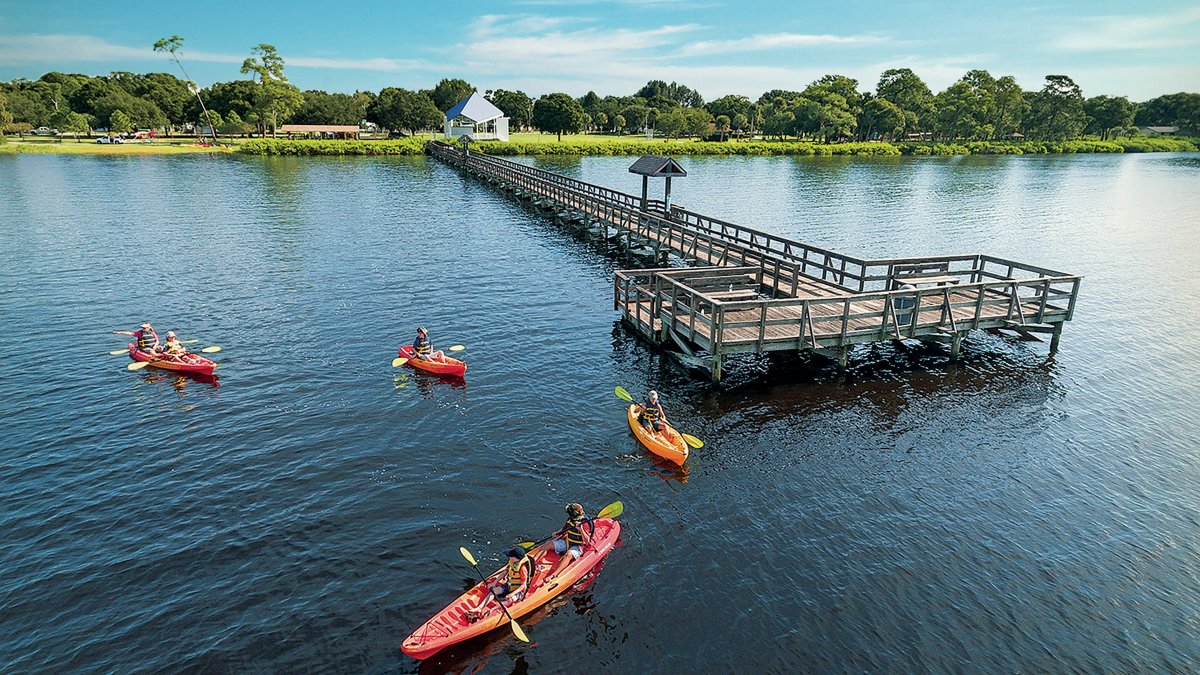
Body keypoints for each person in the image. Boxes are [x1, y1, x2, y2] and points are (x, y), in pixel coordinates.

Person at [465, 547, 533, 621]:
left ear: (517, 558)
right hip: (509, 585)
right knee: (493, 591)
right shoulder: (512, 562)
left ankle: (493, 609)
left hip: (518, 591)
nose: (509, 557)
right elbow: (504, 572)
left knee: (511, 599)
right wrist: (494, 583)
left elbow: (523, 585)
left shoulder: (522, 569)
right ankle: (479, 608)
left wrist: (512, 594)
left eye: (511, 556)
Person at [548, 503, 592, 580]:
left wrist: (580, 529)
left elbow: (587, 541)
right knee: (548, 544)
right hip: (568, 542)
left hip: (579, 547)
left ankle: (554, 575)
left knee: (568, 554)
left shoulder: (585, 523)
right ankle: (533, 561)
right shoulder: (570, 520)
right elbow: (564, 529)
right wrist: (557, 533)